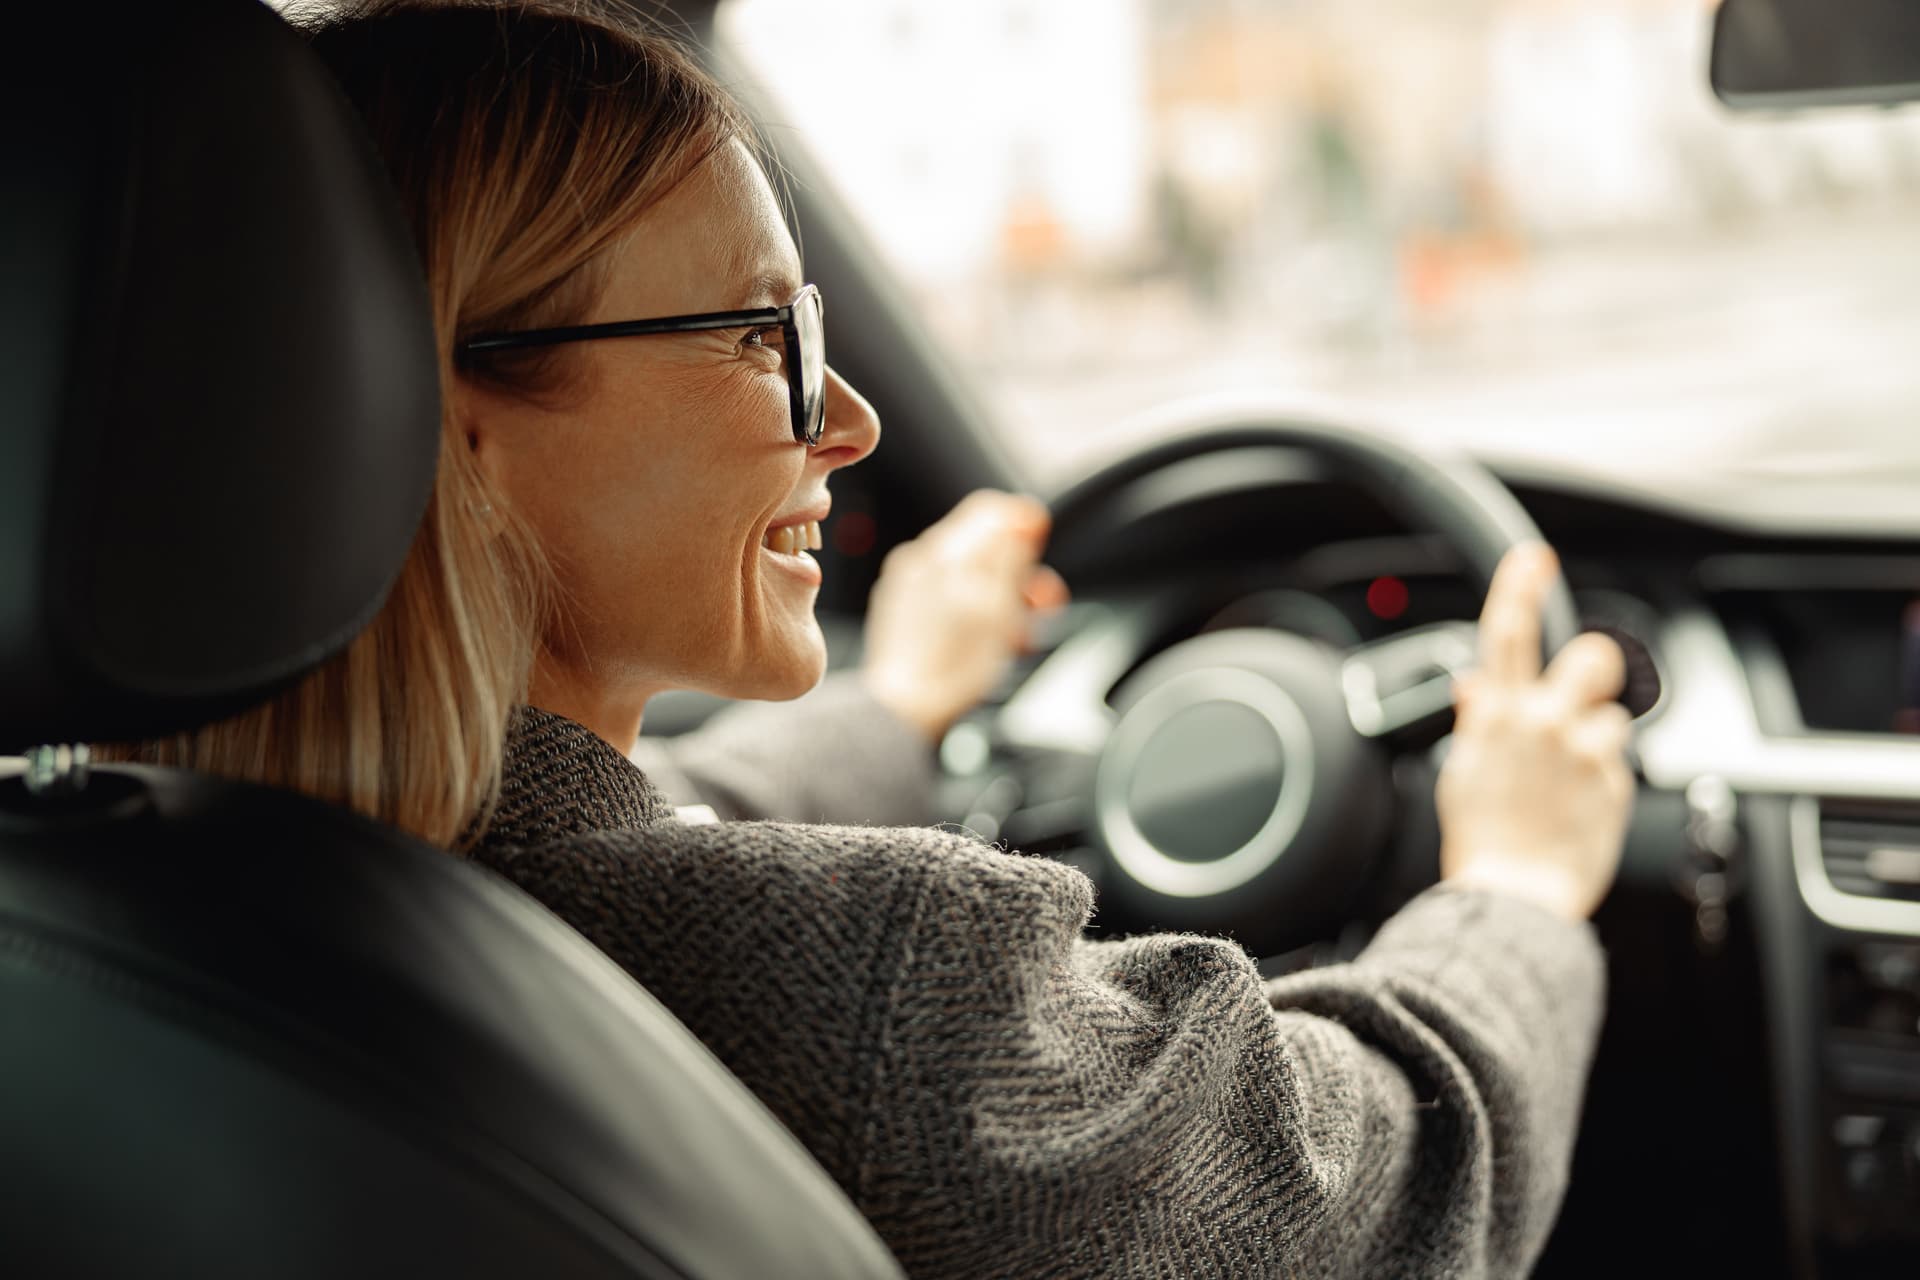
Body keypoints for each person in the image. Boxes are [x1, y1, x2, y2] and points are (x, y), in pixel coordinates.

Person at [121, 3, 1636, 1275]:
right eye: (761, 339)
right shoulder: (879, 984)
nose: (850, 421)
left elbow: (652, 846)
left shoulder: (136, 886)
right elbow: (1387, 1188)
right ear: (458, 430)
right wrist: (1512, 884)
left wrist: (902, 705)